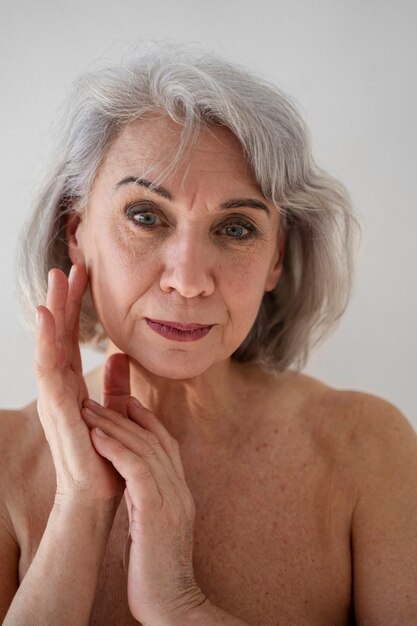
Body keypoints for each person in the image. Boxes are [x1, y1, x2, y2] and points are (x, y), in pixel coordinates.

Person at [1, 46, 417, 626]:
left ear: (277, 258)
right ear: (77, 233)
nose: (190, 280)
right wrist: (80, 504)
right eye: (145, 216)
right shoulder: (4, 461)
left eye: (237, 227)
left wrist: (181, 607)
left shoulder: (369, 449)